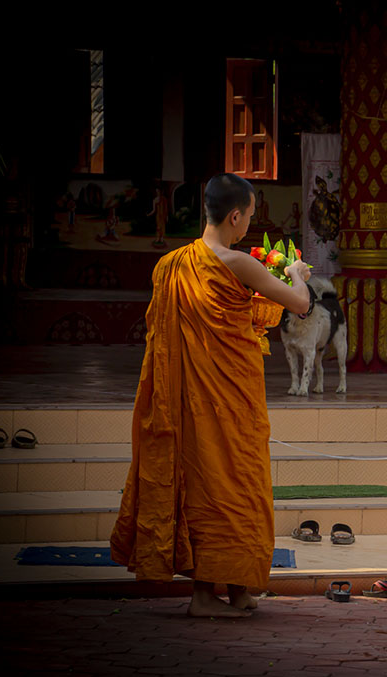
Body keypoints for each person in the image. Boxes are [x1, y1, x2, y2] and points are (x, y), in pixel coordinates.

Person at [110, 173, 311, 618]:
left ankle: (237, 590)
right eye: (250, 218)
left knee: (217, 487)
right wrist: (296, 274)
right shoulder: (238, 263)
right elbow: (298, 304)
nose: (248, 227)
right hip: (229, 404)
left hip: (194, 404)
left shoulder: (171, 265)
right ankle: (204, 596)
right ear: (235, 215)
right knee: (232, 488)